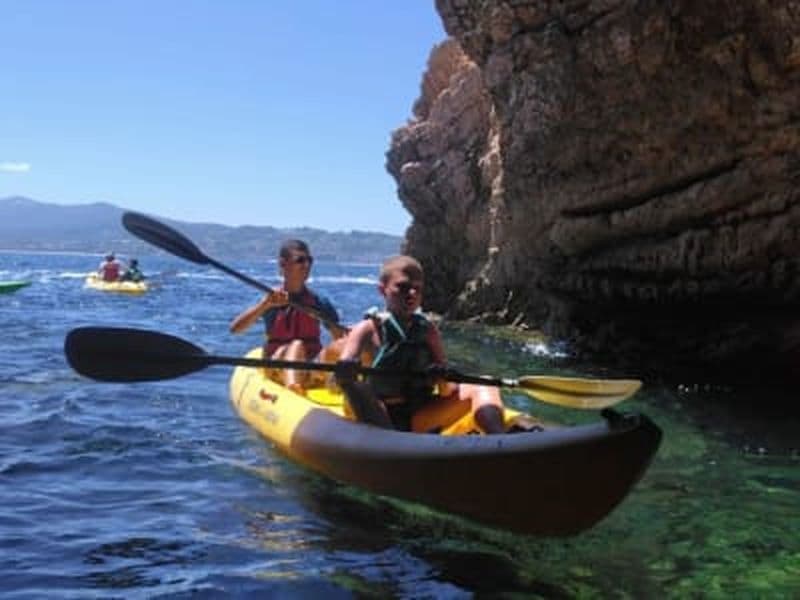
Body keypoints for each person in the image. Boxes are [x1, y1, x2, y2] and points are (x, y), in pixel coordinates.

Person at [334, 255, 505, 434]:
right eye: (403, 287)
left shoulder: (427, 330)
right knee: (357, 387)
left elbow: (446, 391)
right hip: (375, 413)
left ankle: (498, 439)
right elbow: (343, 372)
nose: (412, 294)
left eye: (418, 289)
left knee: (485, 383)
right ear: (382, 290)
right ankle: (388, 440)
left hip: (418, 415)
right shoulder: (366, 329)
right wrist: (346, 368)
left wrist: (441, 377)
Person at [229, 239, 347, 393]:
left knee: (339, 347)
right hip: (278, 363)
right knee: (297, 345)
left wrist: (346, 338)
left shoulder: (319, 302)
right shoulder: (270, 299)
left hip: (310, 365)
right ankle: (293, 387)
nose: (306, 265)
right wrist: (265, 305)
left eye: (309, 260)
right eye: (300, 260)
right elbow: (235, 329)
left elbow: (338, 337)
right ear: (283, 264)